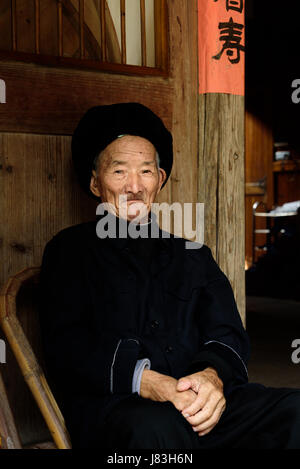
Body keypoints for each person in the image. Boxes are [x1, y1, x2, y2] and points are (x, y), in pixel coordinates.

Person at [39, 103, 300, 449]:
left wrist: (211, 378)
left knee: (294, 410)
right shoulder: (69, 251)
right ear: (95, 183)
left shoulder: (192, 255)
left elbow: (227, 331)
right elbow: (67, 346)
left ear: (159, 181)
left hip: (201, 406)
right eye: (119, 172)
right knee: (157, 429)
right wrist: (150, 383)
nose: (134, 186)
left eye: (146, 171)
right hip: (123, 409)